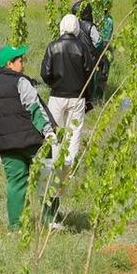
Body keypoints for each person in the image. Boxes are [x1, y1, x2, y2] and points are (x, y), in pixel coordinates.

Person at [0, 46, 53, 230]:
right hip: (29, 140)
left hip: (5, 144)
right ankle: (51, 219)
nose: (23, 63)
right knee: (47, 175)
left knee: (16, 183)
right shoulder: (20, 81)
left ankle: (16, 226)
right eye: (20, 60)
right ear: (10, 64)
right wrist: (49, 132)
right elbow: (35, 108)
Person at [41, 14, 97, 169]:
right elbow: (90, 74)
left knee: (56, 131)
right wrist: (88, 96)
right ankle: (70, 167)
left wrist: (54, 83)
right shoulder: (82, 48)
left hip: (57, 96)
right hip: (77, 97)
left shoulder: (53, 46)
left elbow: (45, 73)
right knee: (74, 133)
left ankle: (55, 165)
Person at [71, 0, 110, 100]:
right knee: (94, 78)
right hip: (90, 58)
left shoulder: (72, 25)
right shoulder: (90, 27)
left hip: (75, 57)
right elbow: (98, 42)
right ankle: (92, 99)